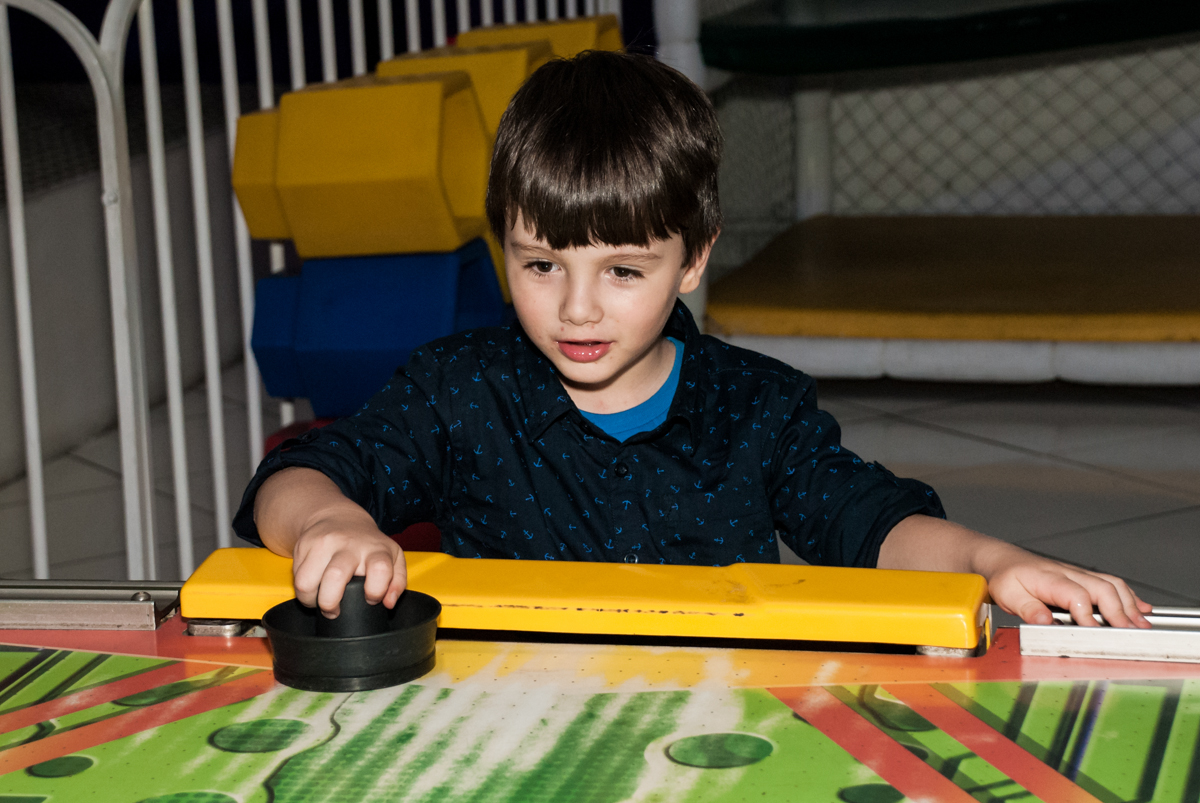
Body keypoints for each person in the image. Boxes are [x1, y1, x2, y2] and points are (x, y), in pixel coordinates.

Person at [234, 50, 1151, 631]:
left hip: (721, 720)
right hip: (506, 715)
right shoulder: (457, 388)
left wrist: (992, 562)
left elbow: (869, 523)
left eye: (623, 271)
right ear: (501, 246)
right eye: (540, 264)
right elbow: (295, 477)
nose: (577, 310)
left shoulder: (761, 403)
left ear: (693, 260)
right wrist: (331, 521)